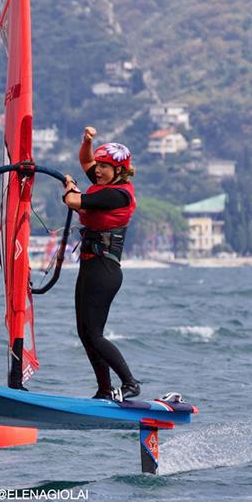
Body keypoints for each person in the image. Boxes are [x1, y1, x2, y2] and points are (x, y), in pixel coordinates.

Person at [62, 126, 141, 401]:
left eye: (105, 167)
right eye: (100, 166)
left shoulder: (117, 194)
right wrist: (87, 141)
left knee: (95, 335)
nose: (98, 171)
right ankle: (104, 389)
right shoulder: (103, 181)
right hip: (90, 267)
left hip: (104, 270)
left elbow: (74, 201)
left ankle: (130, 383)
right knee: (85, 333)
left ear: (119, 170)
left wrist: (70, 189)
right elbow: (86, 161)